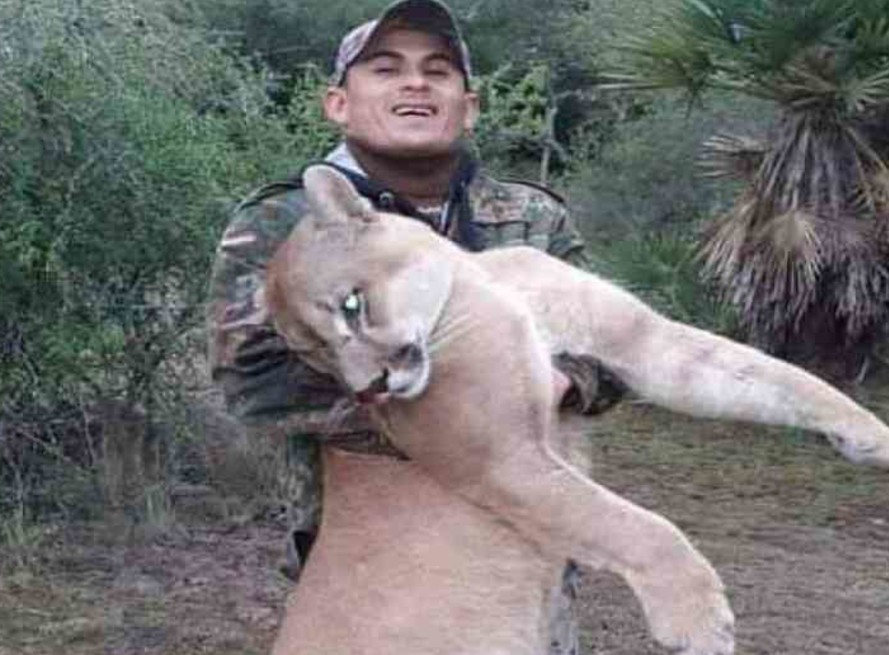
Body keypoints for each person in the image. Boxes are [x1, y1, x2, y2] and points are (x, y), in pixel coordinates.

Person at [207, 1, 623, 652]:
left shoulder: (533, 217)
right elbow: (252, 381)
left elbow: (613, 351)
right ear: (338, 104)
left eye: (438, 70)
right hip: (367, 566)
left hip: (523, 558)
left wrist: (563, 382)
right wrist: (459, 402)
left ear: (470, 105)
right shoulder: (281, 221)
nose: (415, 83)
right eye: (385, 68)